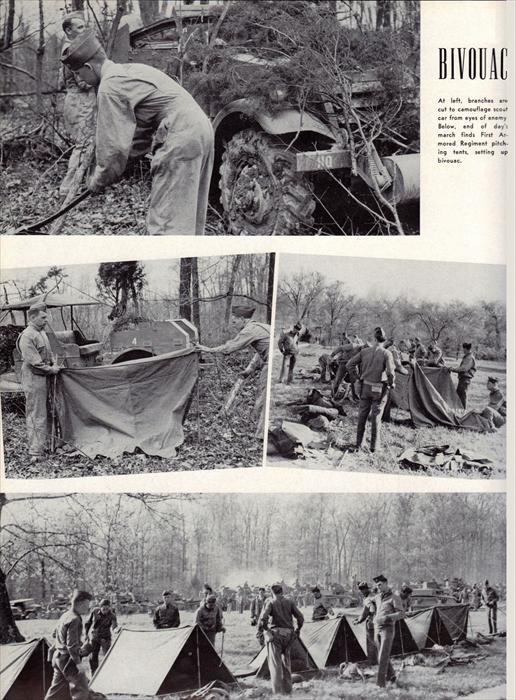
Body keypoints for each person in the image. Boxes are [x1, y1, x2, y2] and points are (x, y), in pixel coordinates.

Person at [62, 31, 214, 235]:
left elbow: (114, 149)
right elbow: (138, 139)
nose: (80, 79)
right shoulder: (131, 70)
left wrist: (97, 181)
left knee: (166, 225)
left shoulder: (110, 86)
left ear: (88, 67)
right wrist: (118, 170)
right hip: (201, 129)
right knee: (188, 220)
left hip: (179, 135)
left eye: (79, 74)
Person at [195, 305, 270, 437]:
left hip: (270, 365)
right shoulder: (261, 327)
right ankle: (262, 431)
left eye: (235, 321)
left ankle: (261, 436)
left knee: (263, 398)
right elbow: (263, 350)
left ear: (242, 319)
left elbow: (229, 348)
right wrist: (250, 369)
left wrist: (207, 349)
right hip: (271, 362)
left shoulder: (249, 331)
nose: (233, 324)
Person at [16, 303, 61, 462]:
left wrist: (53, 365)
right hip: (34, 378)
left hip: (43, 377)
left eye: (46, 317)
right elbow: (34, 362)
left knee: (47, 411)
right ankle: (36, 452)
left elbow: (46, 357)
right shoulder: (28, 335)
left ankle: (48, 445)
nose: (46, 320)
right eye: (43, 317)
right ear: (32, 317)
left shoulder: (41, 333)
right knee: (37, 414)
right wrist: (51, 370)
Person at [58, 13, 96, 196]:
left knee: (84, 144)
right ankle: (68, 189)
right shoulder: (72, 51)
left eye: (84, 26)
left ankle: (82, 185)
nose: (83, 31)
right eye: (79, 27)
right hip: (81, 102)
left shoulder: (69, 48)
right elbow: (84, 83)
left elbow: (61, 82)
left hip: (75, 100)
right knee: (82, 145)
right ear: (68, 30)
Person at [346, 327, 395, 453]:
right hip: (379, 389)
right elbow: (390, 372)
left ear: (374, 339)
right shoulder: (386, 353)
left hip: (365, 387)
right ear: (384, 340)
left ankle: (359, 444)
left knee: (362, 415)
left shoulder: (365, 352)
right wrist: (391, 383)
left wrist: (357, 377)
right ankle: (374, 446)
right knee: (376, 418)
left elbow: (349, 364)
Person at [44, 589, 93, 700]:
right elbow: (71, 645)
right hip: (68, 660)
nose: (87, 607)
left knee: (55, 691)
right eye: (86, 604)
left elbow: (54, 634)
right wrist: (78, 663)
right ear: (79, 603)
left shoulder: (65, 615)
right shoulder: (75, 619)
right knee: (81, 690)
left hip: (57, 658)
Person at [258, 583, 304, 695]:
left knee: (275, 665)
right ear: (282, 591)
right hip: (289, 635)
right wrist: (297, 630)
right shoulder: (289, 601)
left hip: (276, 635)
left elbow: (263, 619)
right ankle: (288, 690)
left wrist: (266, 631)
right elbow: (300, 617)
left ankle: (278, 693)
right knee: (286, 663)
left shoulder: (271, 602)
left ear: (272, 592)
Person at [372, 574, 405, 688]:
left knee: (382, 657)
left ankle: (380, 684)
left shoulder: (394, 597)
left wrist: (386, 618)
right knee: (382, 656)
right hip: (377, 629)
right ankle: (392, 676)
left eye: (380, 584)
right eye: (377, 585)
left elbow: (401, 614)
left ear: (386, 584)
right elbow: (369, 602)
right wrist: (369, 611)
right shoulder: (376, 597)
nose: (378, 587)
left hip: (388, 629)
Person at [84, 598, 118, 674]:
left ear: (109, 607)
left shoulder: (112, 615)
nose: (105, 609)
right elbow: (87, 623)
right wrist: (86, 635)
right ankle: (94, 674)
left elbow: (114, 627)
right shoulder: (95, 611)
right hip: (94, 637)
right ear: (100, 607)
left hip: (105, 638)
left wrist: (117, 630)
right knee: (93, 657)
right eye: (103, 607)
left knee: (107, 657)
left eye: (107, 607)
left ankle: (107, 674)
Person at [353, 581, 377, 664]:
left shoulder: (368, 599)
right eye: (361, 589)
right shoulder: (374, 596)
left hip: (372, 621)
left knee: (370, 641)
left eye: (363, 589)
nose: (362, 591)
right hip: (379, 621)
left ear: (366, 589)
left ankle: (372, 661)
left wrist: (359, 620)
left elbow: (367, 611)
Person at [449, 342, 476, 408]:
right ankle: (459, 409)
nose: (463, 351)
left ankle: (463, 410)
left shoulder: (469, 357)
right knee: (459, 395)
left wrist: (453, 369)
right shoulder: (467, 357)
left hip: (465, 379)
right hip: (463, 379)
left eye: (464, 349)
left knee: (462, 396)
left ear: (467, 349)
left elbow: (464, 368)